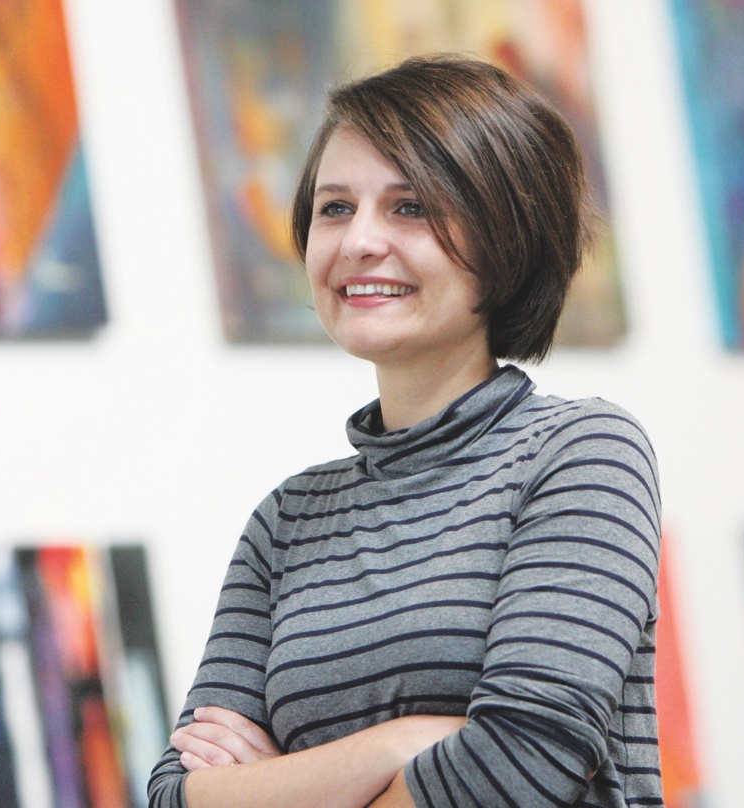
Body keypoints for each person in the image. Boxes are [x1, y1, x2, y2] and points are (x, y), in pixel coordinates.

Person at [148, 54, 663, 808]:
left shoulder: (581, 454)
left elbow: (525, 760)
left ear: (506, 236)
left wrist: (276, 784)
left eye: (410, 207)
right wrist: (399, 744)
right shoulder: (287, 521)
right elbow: (174, 794)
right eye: (334, 208)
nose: (358, 241)